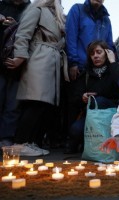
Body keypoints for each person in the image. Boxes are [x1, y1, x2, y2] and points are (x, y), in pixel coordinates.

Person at [5, 0, 66, 156]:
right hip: (38, 59)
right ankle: (20, 143)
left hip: (51, 59)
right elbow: (23, 34)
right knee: (34, 102)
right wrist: (20, 55)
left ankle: (30, 142)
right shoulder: (38, 10)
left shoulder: (56, 14)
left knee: (43, 105)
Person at [65, 0, 114, 144]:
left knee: (97, 100)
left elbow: (109, 43)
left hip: (101, 68)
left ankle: (94, 140)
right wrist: (73, 61)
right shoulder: (78, 10)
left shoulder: (106, 19)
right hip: (80, 64)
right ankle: (71, 140)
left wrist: (111, 63)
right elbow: (71, 36)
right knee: (74, 103)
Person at [64, 40, 119, 154]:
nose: (95, 56)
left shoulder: (114, 69)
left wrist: (113, 63)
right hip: (92, 115)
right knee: (75, 130)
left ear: (106, 53)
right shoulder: (86, 73)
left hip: (113, 112)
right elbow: (75, 97)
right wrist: (83, 97)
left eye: (99, 52)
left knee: (100, 101)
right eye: (92, 54)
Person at [0, 0, 31, 148]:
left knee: (13, 105)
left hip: (19, 64)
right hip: (1, 60)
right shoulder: (2, 5)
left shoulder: (30, 9)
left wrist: (16, 25)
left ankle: (6, 138)